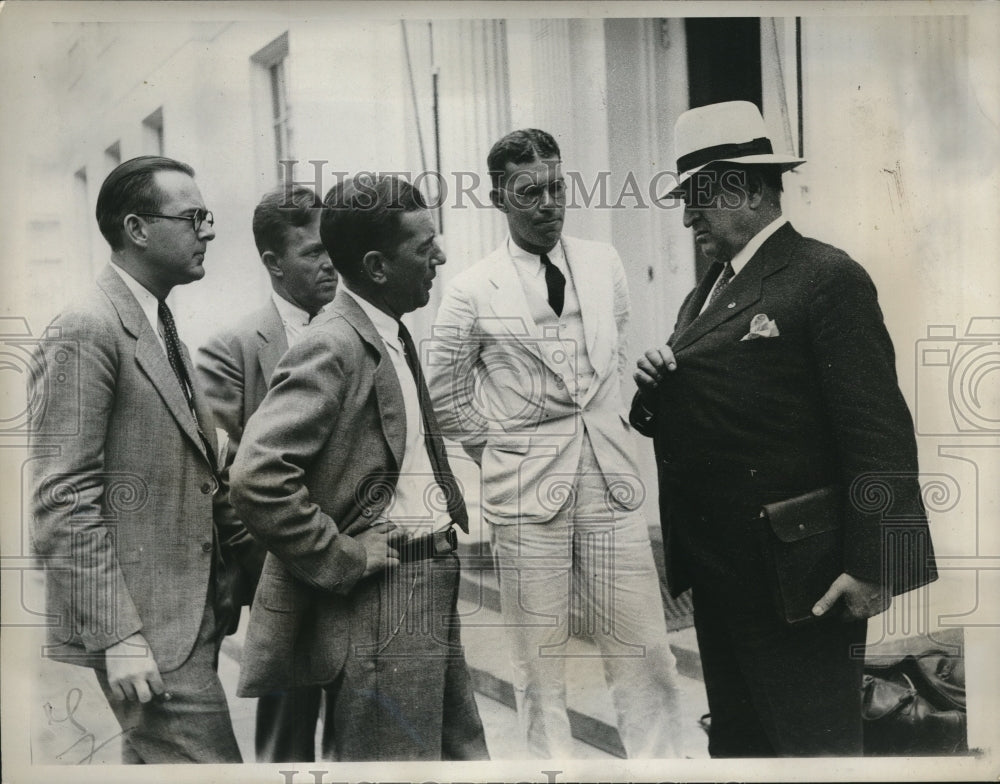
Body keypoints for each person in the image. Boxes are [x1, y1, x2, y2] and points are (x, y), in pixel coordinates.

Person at [630, 100, 938, 757]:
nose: (687, 217)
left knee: (814, 749)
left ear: (741, 187)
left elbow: (878, 432)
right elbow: (706, 408)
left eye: (697, 198)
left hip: (802, 581)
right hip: (724, 580)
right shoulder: (706, 291)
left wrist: (874, 566)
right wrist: (653, 392)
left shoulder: (825, 278)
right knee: (742, 749)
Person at [428, 128, 683, 758]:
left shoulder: (605, 263)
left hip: (611, 480)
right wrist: (499, 448)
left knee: (645, 650)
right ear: (498, 199)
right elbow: (445, 394)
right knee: (538, 665)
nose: (547, 204)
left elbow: (617, 354)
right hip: (524, 494)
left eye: (556, 188)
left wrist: (612, 426)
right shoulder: (470, 290)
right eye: (528, 192)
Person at [229, 174, 489, 761]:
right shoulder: (335, 344)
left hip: (427, 582)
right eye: (424, 249)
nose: (440, 258)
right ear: (376, 266)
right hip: (384, 601)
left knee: (459, 760)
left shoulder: (387, 330)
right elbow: (256, 477)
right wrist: (343, 556)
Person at [28, 155, 243, 763]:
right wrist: (120, 635)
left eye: (208, 216)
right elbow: (62, 499)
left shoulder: (157, 320)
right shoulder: (87, 327)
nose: (208, 230)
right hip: (145, 629)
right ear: (137, 229)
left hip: (184, 621)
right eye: (193, 216)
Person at [195, 184, 336, 761]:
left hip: (357, 557)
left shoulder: (359, 332)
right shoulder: (232, 349)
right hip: (281, 572)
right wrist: (269, 564)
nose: (330, 261)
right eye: (311, 252)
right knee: (289, 733)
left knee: (364, 726)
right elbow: (218, 476)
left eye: (332, 247)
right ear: (273, 264)